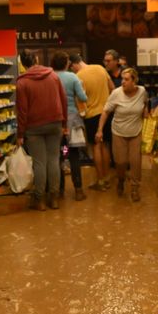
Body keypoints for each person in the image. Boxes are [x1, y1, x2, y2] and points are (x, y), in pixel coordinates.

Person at [16, 49, 67, 211]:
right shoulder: (53, 76)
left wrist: (20, 134)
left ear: (23, 64)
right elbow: (63, 100)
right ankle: (54, 198)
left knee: (39, 163)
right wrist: (64, 123)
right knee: (53, 160)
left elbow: (22, 111)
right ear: (37, 59)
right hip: (55, 123)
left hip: (34, 126)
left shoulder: (22, 82)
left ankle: (39, 200)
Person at [97, 67, 148, 202]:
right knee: (120, 162)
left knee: (135, 162)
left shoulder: (142, 91)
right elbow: (106, 112)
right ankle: (120, 179)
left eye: (126, 79)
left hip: (136, 132)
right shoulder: (116, 93)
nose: (122, 82)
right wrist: (100, 129)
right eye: (122, 79)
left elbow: (145, 103)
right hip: (119, 132)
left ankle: (135, 188)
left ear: (134, 81)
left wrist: (146, 115)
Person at [72, 53, 114, 191]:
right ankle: (107, 178)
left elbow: (80, 99)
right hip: (106, 113)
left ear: (74, 64)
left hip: (91, 115)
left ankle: (100, 180)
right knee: (106, 145)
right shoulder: (100, 68)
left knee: (96, 146)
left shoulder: (78, 77)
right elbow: (112, 88)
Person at [50, 51, 87, 201]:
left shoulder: (50, 77)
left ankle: (59, 191)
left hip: (55, 121)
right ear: (66, 64)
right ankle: (78, 190)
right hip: (72, 120)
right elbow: (83, 97)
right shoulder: (73, 77)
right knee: (73, 155)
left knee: (58, 155)